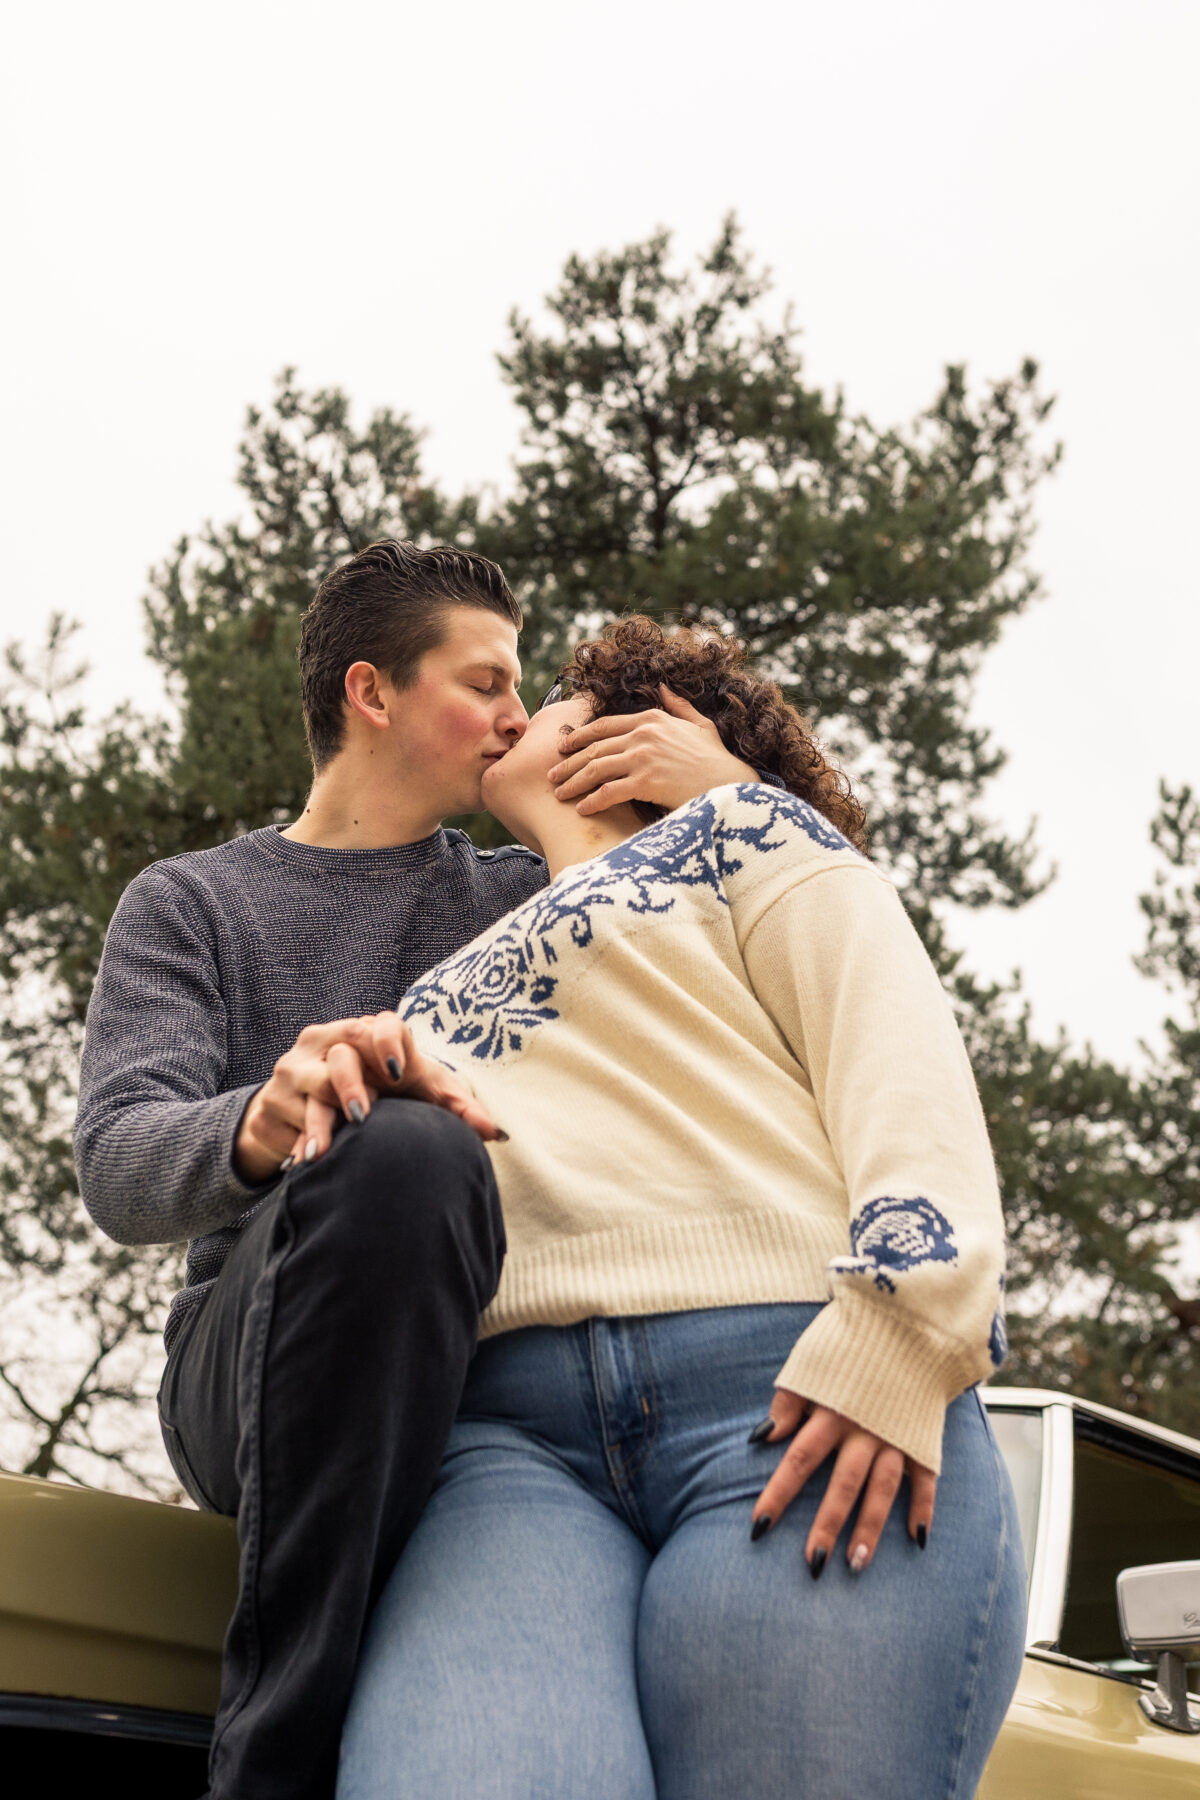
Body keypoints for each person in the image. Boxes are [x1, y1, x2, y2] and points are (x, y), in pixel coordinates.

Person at [73, 544, 760, 1800]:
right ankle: (270, 1761)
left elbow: (789, 968)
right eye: (487, 681)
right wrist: (266, 1119)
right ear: (371, 692)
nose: (519, 718)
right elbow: (118, 1166)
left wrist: (726, 791)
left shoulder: (535, 890)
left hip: (500, 1396)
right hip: (256, 1370)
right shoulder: (192, 905)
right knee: (398, 1143)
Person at [314, 617, 1027, 1800]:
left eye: (544, 699)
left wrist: (902, 1330)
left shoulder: (749, 837)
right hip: (502, 1442)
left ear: (636, 730)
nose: (512, 716)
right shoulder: (439, 979)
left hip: (793, 1386)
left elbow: (902, 1079)